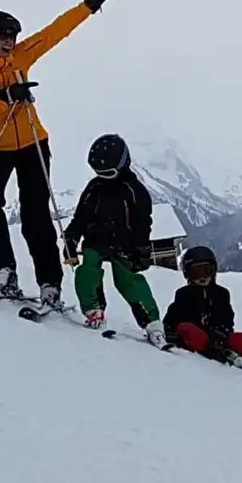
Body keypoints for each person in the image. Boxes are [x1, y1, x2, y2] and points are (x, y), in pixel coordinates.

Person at [0, 0, 119, 306]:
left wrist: (91, 5)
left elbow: (53, 33)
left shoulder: (19, 57)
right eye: (2, 37)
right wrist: (5, 98)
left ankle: (50, 282)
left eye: (12, 36)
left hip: (33, 142)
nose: (9, 42)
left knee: (35, 213)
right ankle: (3, 270)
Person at [62, 133, 166, 347]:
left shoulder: (135, 192)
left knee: (128, 280)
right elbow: (81, 217)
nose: (103, 177)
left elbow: (142, 223)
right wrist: (71, 239)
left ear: (123, 165)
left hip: (124, 244)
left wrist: (142, 250)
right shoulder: (94, 188)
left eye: (108, 173)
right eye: (98, 173)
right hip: (96, 240)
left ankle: (152, 323)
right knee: (88, 270)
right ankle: (93, 309)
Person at [163, 246, 242, 380]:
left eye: (207, 271)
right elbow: (171, 318)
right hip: (195, 337)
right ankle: (219, 352)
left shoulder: (221, 294)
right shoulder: (183, 295)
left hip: (218, 335)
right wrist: (171, 333)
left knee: (238, 338)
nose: (202, 278)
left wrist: (222, 330)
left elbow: (227, 316)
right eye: (196, 273)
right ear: (187, 274)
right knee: (191, 331)